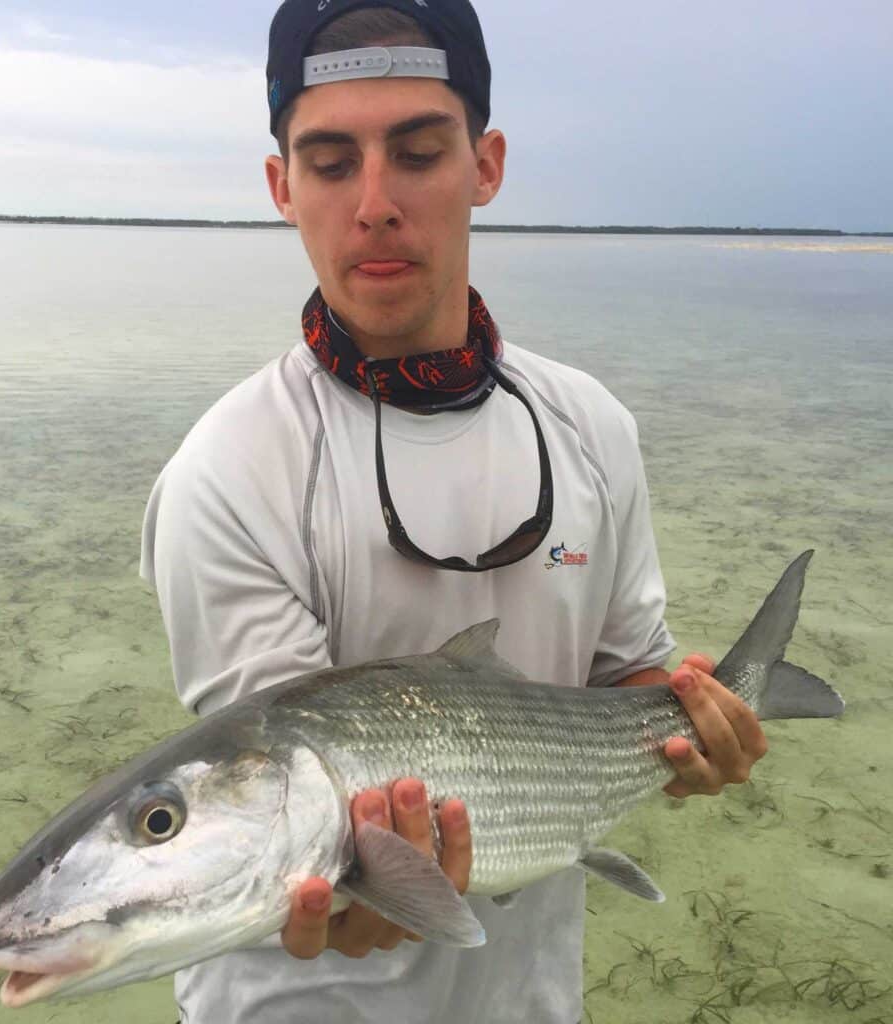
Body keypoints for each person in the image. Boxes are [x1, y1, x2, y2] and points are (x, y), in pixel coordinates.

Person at [139, 2, 768, 1021]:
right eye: (331, 162)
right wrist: (353, 882)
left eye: (419, 152)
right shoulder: (227, 470)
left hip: (530, 996)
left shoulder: (592, 425)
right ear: (280, 188)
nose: (376, 203)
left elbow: (629, 674)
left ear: (485, 166)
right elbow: (282, 799)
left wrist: (699, 724)